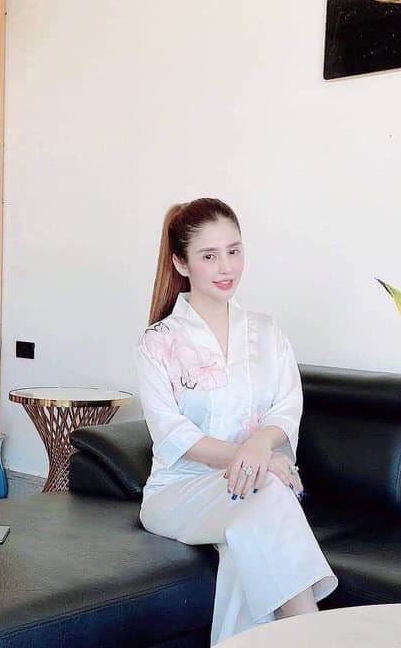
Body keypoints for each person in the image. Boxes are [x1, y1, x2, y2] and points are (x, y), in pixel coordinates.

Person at [136, 198, 337, 645]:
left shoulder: (266, 331)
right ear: (181, 263)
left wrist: (260, 447)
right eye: (209, 256)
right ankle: (315, 635)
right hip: (179, 491)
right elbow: (172, 434)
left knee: (251, 528)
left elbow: (287, 406)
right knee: (269, 493)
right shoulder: (158, 342)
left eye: (234, 250)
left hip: (253, 485)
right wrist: (249, 457)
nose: (226, 267)